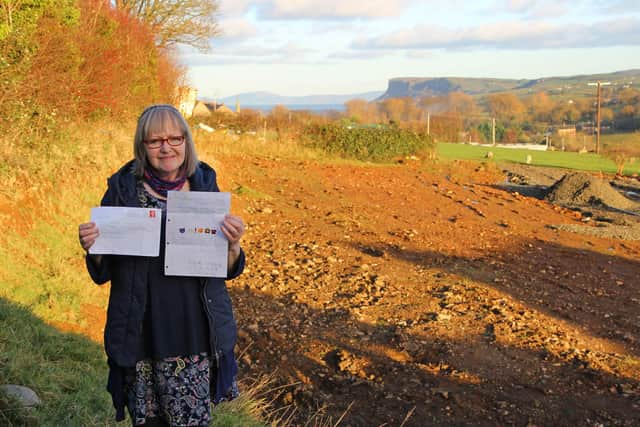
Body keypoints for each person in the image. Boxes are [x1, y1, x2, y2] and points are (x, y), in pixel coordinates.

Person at [78, 104, 246, 426]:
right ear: (142, 147)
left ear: (186, 141)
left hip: (192, 334)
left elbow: (226, 268)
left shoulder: (204, 186)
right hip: (141, 333)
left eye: (174, 138)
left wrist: (234, 244)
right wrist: (93, 248)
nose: (166, 147)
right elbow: (102, 271)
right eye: (155, 141)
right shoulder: (122, 191)